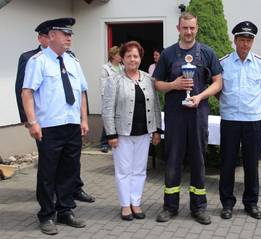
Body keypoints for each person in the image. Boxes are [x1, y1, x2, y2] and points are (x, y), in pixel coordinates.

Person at [153, 12, 223, 225]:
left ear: (197, 28)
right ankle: (170, 206)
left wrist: (201, 96)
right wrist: (174, 85)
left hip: (198, 116)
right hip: (175, 116)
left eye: (192, 28)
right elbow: (156, 83)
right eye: (185, 28)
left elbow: (218, 82)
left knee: (198, 160)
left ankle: (199, 207)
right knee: (172, 160)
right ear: (178, 28)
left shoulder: (207, 52)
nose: (189, 32)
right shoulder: (168, 54)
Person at [15, 21, 95, 204]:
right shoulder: (38, 61)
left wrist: (84, 119)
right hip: (50, 127)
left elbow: (81, 92)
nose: (69, 37)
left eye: (70, 34)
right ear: (51, 36)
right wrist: (32, 122)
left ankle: (65, 210)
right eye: (64, 33)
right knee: (48, 173)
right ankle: (47, 214)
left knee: (69, 171)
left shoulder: (73, 61)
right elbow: (26, 92)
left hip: (72, 125)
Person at [219, 21, 261, 220]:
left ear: (253, 42)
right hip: (230, 120)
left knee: (252, 163)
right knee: (227, 163)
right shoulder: (223, 63)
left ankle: (251, 203)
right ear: (235, 40)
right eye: (242, 40)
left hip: (252, 121)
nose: (245, 44)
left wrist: (251, 105)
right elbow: (218, 91)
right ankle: (227, 203)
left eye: (249, 40)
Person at [102, 41, 161, 221]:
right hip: (122, 134)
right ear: (122, 59)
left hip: (144, 132)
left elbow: (156, 105)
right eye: (128, 56)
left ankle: (136, 203)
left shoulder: (148, 79)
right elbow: (107, 109)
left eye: (135, 56)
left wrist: (157, 130)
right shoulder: (114, 81)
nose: (132, 59)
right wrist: (110, 134)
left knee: (139, 171)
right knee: (123, 171)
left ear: (140, 58)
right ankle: (125, 205)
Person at [99, 46, 123, 153]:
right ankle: (104, 143)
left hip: (121, 97)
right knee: (108, 120)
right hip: (110, 98)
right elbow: (103, 85)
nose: (121, 57)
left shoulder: (123, 67)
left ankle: (115, 140)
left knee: (117, 120)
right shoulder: (106, 68)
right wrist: (106, 100)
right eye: (119, 54)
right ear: (113, 56)